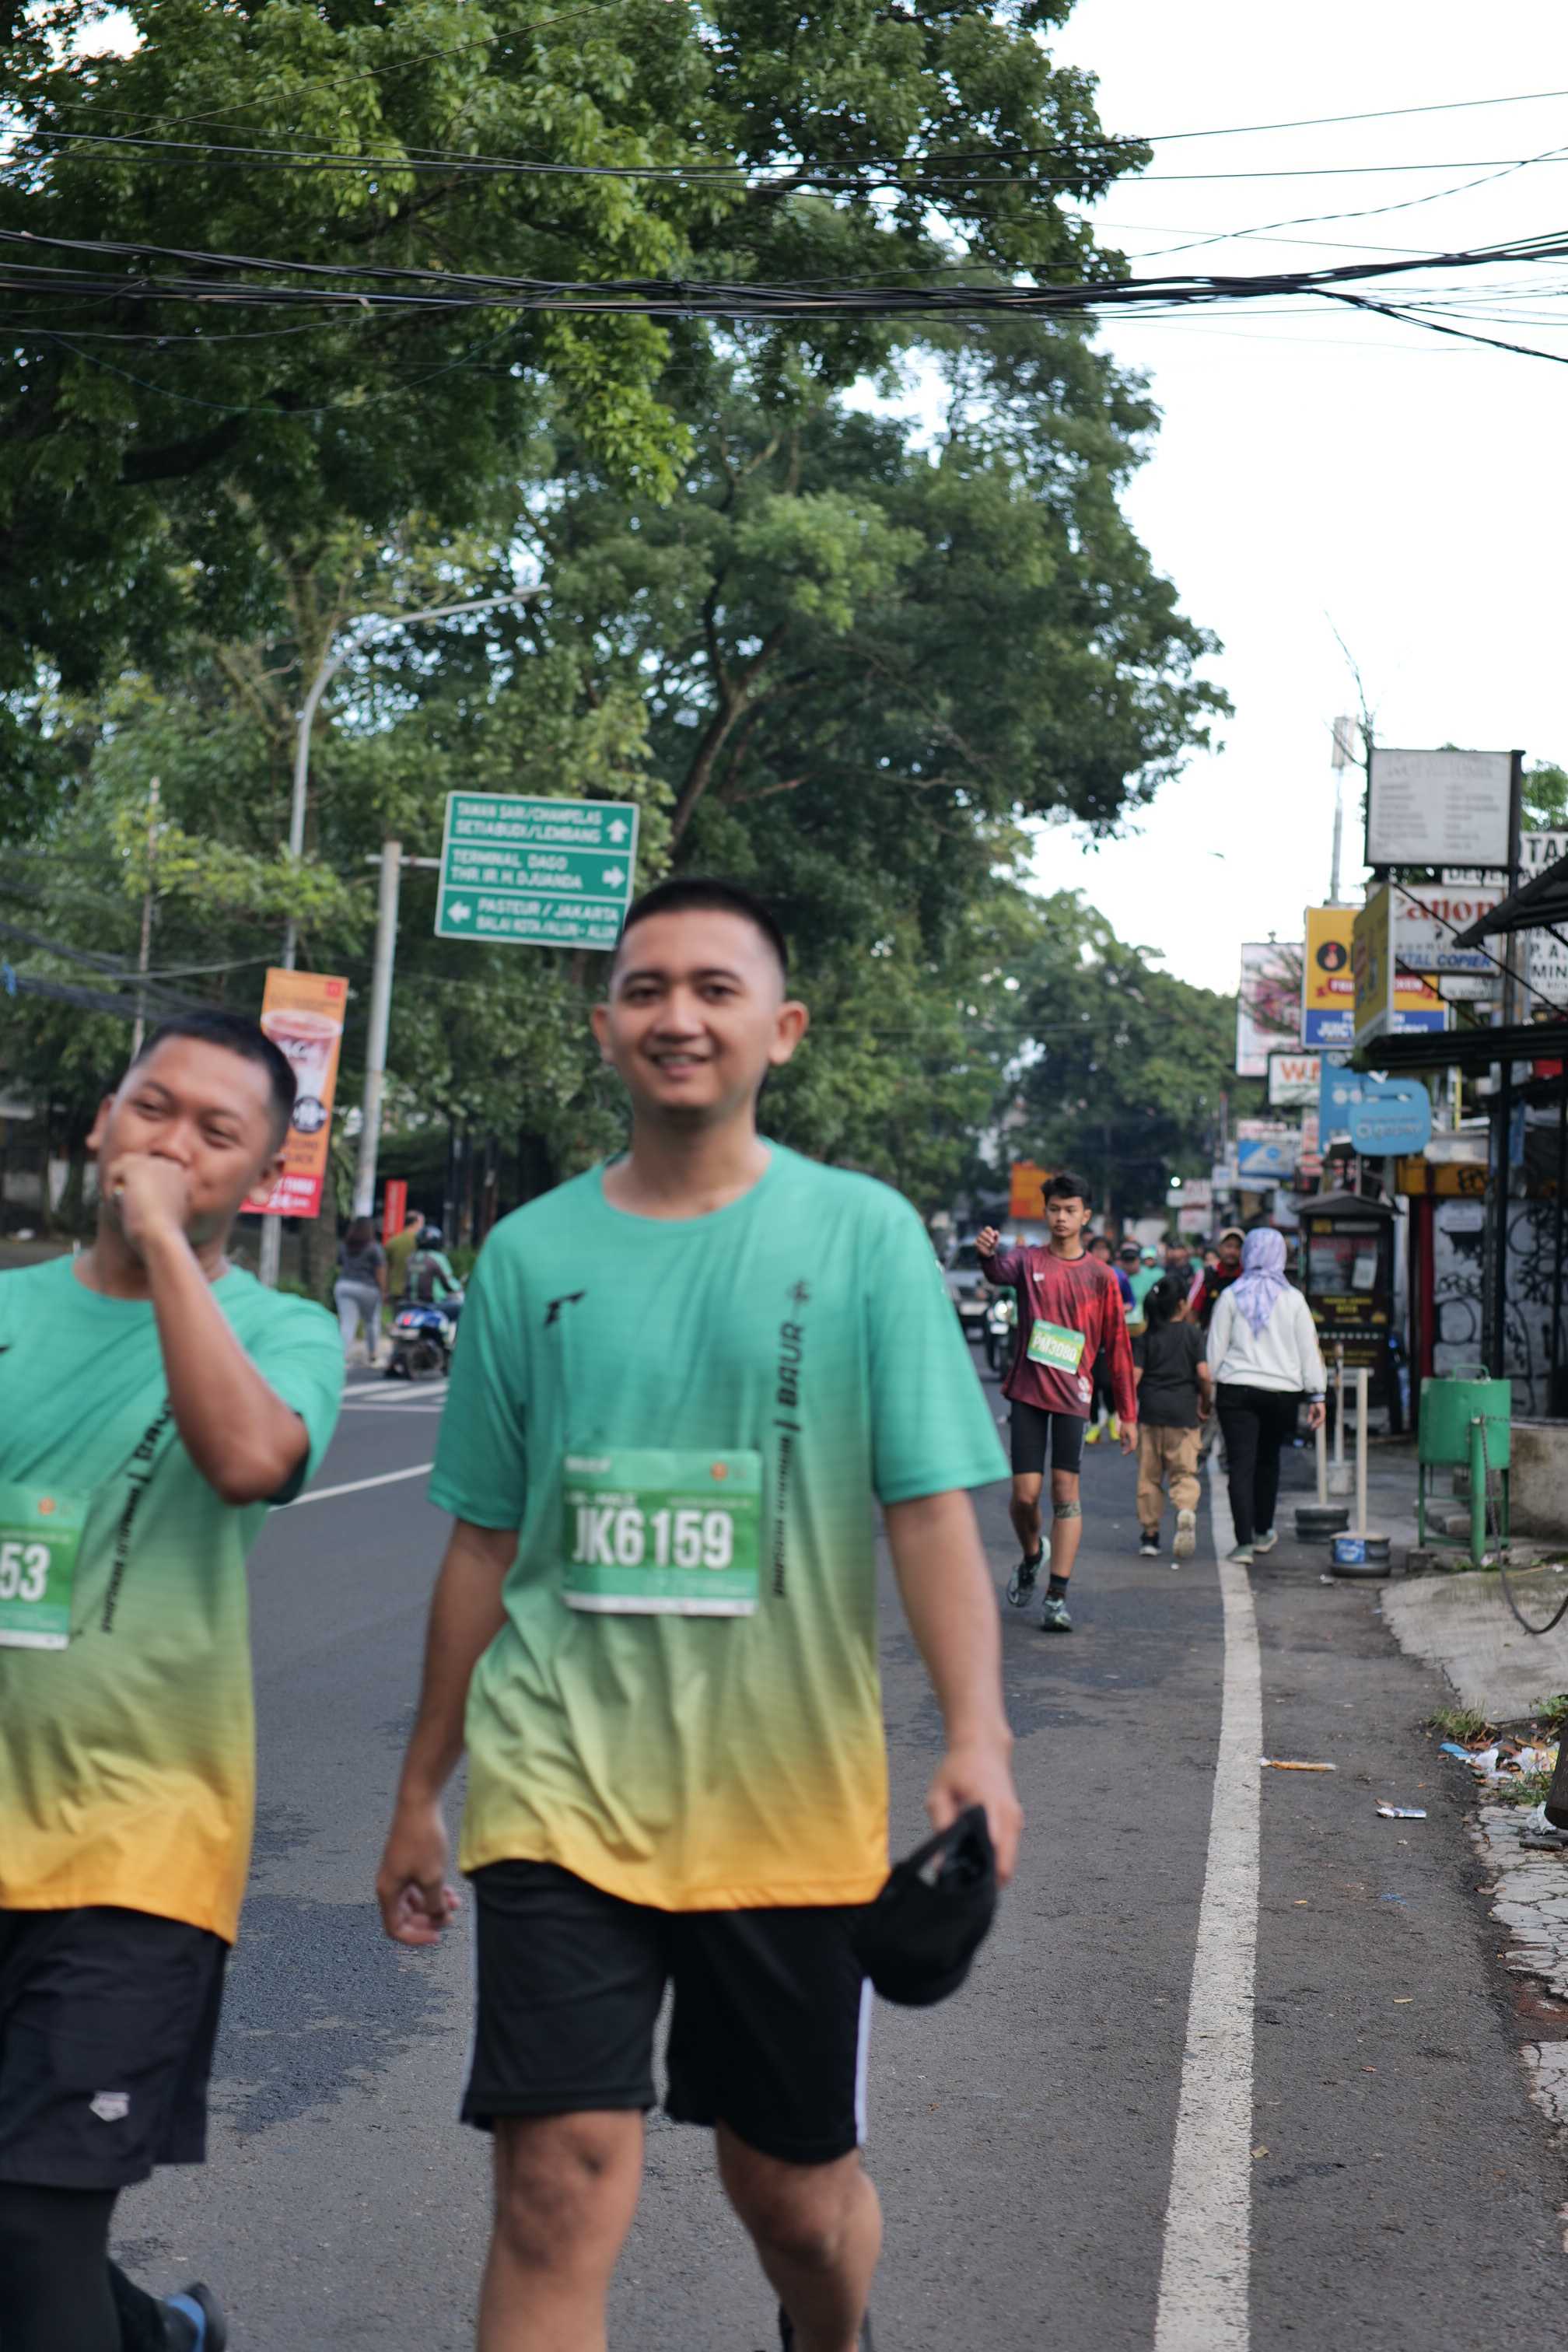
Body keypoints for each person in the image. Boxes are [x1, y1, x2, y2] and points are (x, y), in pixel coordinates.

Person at [374, 877, 1020, 2352]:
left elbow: (928, 1512)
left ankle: (828, 2336)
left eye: (715, 989)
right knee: (554, 2189)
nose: (679, 1015)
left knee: (792, 2199)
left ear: (782, 1029)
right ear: (606, 1026)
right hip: (557, 1787)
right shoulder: (528, 1255)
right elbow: (483, 1543)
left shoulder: (860, 1237)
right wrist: (421, 1790)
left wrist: (977, 1738)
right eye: (647, 988)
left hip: (784, 1803)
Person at [0, 1010, 343, 2352]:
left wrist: (163, 1251)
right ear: (102, 1119)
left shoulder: (283, 1329)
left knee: (34, 2223)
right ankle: (165, 2337)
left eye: (216, 1132)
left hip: (134, 1844)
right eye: (151, 1108)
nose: (171, 1144)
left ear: (262, 1174)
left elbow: (251, 1459)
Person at [977, 1172, 1136, 1634]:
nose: (1061, 1217)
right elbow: (997, 1271)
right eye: (1054, 1209)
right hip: (1028, 1392)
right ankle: (1033, 1556)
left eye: (1070, 1210)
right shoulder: (1027, 1261)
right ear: (1045, 1213)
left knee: (1066, 1494)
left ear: (1086, 1216)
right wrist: (985, 1253)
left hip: (1073, 1397)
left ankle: (1056, 1597)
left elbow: (1119, 1348)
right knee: (1025, 1497)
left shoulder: (1102, 1277)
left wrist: (1128, 1414)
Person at [1207, 1228, 1328, 1565]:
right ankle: (1263, 1532)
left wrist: (1207, 1391)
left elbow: (1215, 1350)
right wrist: (1317, 1395)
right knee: (1268, 1461)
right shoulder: (1293, 1299)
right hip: (1282, 1394)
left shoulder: (1231, 1296)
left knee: (1240, 1465)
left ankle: (1243, 1543)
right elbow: (1309, 1350)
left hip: (1237, 1390)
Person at [1132, 1276, 1213, 1563]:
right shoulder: (1193, 1335)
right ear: (1182, 1304)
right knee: (1184, 1473)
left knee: (1149, 1477)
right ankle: (1186, 1510)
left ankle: (1150, 1536)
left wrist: (1126, 1413)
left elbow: (1134, 1377)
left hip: (1151, 1414)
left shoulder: (1146, 1337)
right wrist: (1205, 1403)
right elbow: (1204, 1375)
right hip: (1184, 1414)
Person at [1083, 1235, 1128, 1446]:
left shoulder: (1118, 1275)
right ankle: (1093, 1424)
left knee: (1108, 1383)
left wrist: (1119, 1309)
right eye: (1096, 1249)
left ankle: (1112, 1418)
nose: (1100, 1253)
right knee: (1089, 1384)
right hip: (1085, 1337)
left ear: (1111, 1253)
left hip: (1110, 1336)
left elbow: (1130, 1300)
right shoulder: (1082, 1273)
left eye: (1104, 1249)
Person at [335, 1213, 387, 1366]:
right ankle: (373, 1355)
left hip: (344, 1285)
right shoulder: (374, 1248)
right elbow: (380, 1271)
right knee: (371, 1322)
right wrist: (383, 1291)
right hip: (368, 1288)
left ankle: (341, 1357)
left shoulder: (344, 1246)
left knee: (347, 1324)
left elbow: (340, 1264)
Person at [1195, 1227, 1246, 1332]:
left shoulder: (1247, 1277)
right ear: (1219, 1248)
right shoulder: (1206, 1275)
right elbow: (1194, 1311)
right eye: (1228, 1246)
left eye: (1237, 1247)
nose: (1232, 1251)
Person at [384, 1202, 425, 1300]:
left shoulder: (393, 1241)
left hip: (396, 1289)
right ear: (415, 1223)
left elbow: (386, 1267)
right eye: (422, 1223)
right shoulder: (422, 1243)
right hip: (416, 1290)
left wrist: (385, 1290)